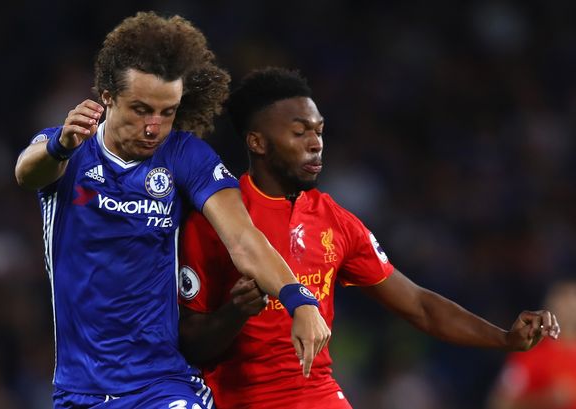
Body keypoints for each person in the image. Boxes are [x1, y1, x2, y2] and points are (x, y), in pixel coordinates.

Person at [177, 67, 561, 409]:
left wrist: (504, 339)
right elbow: (190, 344)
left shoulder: (334, 221)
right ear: (257, 143)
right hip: (240, 398)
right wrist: (236, 312)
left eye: (319, 131)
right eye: (299, 132)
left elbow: (418, 305)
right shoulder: (216, 221)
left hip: (318, 394)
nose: (315, 143)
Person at [14, 14, 330, 409]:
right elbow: (27, 173)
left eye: (167, 112)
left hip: (160, 382)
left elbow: (244, 238)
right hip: (80, 390)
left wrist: (299, 299)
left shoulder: (184, 155)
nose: (154, 127)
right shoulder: (68, 149)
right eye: (142, 109)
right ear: (108, 96)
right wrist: (60, 145)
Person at [487, 280, 576, 409]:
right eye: (564, 302)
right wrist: (545, 399)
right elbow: (500, 402)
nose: (570, 310)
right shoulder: (531, 351)